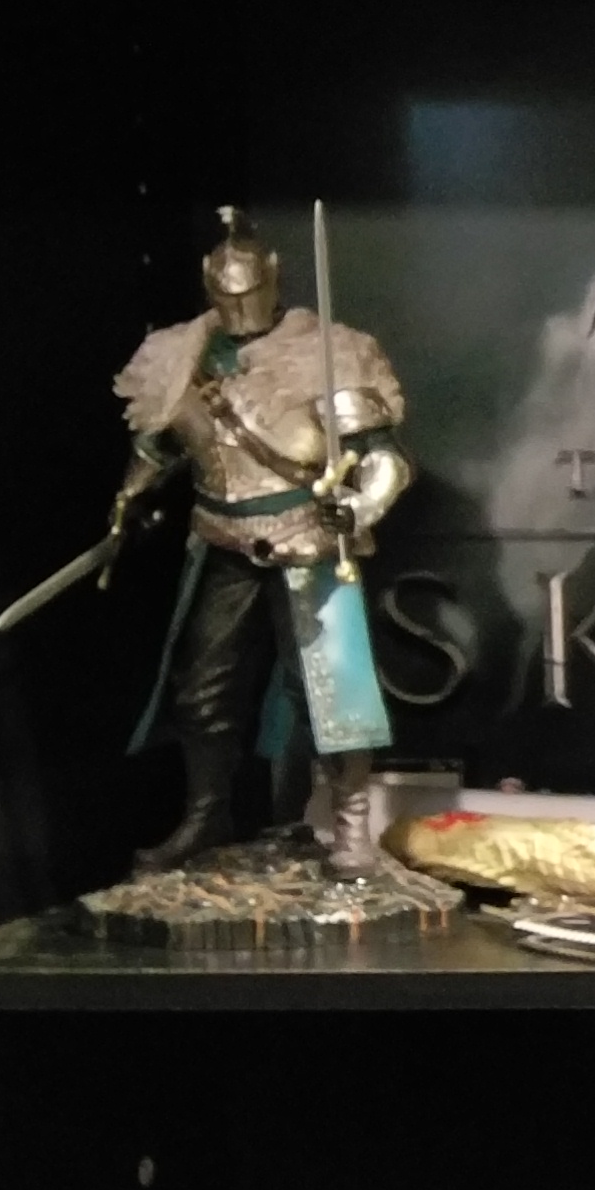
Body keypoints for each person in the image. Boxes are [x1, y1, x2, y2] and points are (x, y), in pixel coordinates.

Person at [112, 209, 409, 870]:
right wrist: (130, 495)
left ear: (273, 277)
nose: (239, 305)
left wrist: (360, 506)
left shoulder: (327, 352)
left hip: (308, 534)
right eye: (227, 293)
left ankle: (351, 831)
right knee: (202, 689)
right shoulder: (179, 355)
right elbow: (159, 445)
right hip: (221, 537)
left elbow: (383, 458)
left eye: (248, 291)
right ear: (207, 285)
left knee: (333, 690)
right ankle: (207, 815)